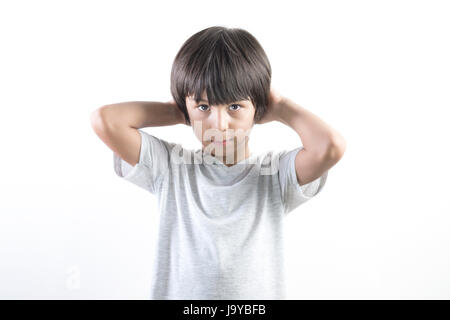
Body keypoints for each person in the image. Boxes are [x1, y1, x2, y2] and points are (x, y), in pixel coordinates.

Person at [90, 26, 346, 299]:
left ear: (258, 109)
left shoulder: (275, 176)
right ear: (186, 108)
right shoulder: (170, 168)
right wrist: (175, 111)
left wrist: (281, 106)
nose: (219, 124)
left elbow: (330, 146)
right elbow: (105, 120)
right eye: (204, 107)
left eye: (234, 107)